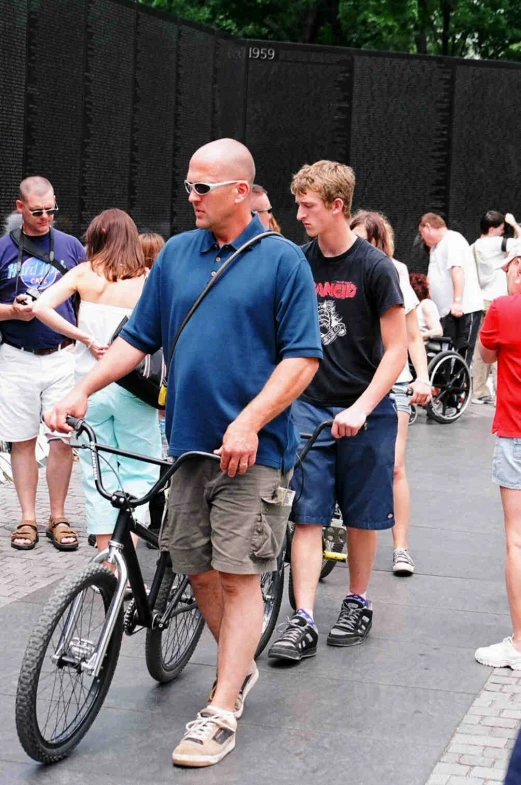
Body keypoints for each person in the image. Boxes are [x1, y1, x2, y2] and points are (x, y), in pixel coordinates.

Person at [44, 138, 322, 768]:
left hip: (256, 453)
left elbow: (303, 357)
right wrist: (82, 388)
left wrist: (250, 422)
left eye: (203, 187)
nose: (190, 197)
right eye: (188, 186)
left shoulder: (281, 261)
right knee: (194, 567)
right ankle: (239, 667)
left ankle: (221, 708)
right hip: (189, 445)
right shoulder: (174, 256)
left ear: (242, 192)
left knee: (237, 572)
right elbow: (137, 338)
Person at [268, 160, 407, 664]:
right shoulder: (298, 262)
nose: (299, 213)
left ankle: (357, 600)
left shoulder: (374, 267)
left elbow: (396, 349)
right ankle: (302, 618)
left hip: (365, 410)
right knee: (306, 513)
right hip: (308, 406)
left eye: (307, 206)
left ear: (336, 207)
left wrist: (363, 407)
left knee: (362, 516)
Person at [34, 208, 161, 558]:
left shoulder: (84, 273)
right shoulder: (147, 279)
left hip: (87, 390)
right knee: (141, 469)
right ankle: (127, 558)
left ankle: (108, 561)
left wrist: (84, 337)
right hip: (135, 389)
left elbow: (41, 306)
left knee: (96, 474)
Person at [0, 176, 85, 551]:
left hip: (62, 356)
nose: (46, 217)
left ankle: (59, 515)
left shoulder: (71, 246)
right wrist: (12, 313)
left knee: (62, 438)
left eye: (52, 209)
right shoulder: (3, 248)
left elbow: (86, 300)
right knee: (22, 439)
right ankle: (27, 519)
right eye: (37, 212)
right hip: (17, 356)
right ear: (20, 208)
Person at [350, 211, 431, 576]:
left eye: (364, 239)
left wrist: (424, 378)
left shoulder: (392, 272)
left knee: (395, 465)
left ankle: (401, 547)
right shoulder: (334, 267)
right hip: (346, 381)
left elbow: (412, 335)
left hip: (393, 381)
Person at [474, 241, 521, 670]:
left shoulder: (505, 309)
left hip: (516, 433)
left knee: (516, 538)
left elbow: (487, 354)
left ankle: (520, 644)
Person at [470, 210, 521, 405]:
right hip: (498, 299)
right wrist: (514, 225)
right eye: (501, 229)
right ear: (492, 229)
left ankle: (479, 391)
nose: (503, 232)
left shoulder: (473, 247)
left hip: (481, 299)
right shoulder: (496, 243)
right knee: (504, 348)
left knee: (482, 347)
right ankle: (502, 391)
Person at [419, 212, 483, 365]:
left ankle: (461, 388)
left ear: (427, 227)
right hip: (447, 313)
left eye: (421, 234)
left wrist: (457, 301)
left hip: (464, 309)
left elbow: (457, 269)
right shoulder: (436, 248)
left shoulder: (452, 240)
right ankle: (450, 386)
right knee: (446, 353)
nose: (422, 239)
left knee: (462, 354)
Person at [138, 231, 167, 541]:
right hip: (163, 382)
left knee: (153, 455)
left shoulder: (141, 285)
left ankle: (154, 518)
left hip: (144, 383)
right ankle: (159, 518)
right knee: (163, 456)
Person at [409, 273, 443, 341]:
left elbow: (438, 331)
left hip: (423, 345)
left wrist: (418, 336)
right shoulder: (409, 307)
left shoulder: (426, 304)